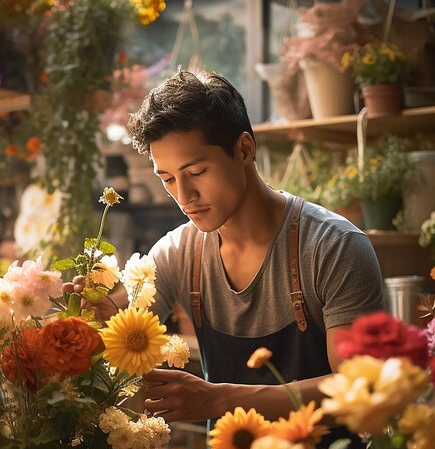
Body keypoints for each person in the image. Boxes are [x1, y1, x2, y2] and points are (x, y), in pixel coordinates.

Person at [125, 69, 385, 424]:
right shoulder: (177, 255)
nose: (184, 197)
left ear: (245, 149)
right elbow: (119, 332)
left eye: (197, 172)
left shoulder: (333, 247)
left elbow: (359, 389)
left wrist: (221, 400)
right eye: (168, 178)